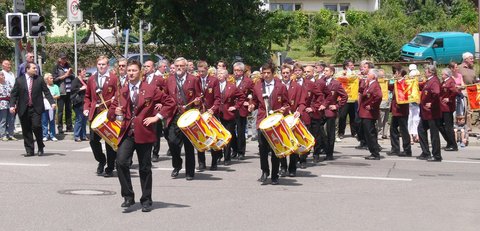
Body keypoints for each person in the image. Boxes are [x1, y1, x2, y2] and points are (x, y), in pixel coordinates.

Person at [108, 60, 176, 212]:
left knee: (145, 168)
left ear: (140, 72)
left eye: (133, 70)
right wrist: (115, 112)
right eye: (128, 70)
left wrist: (157, 117)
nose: (130, 73)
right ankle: (128, 195)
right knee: (120, 162)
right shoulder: (122, 90)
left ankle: (146, 199)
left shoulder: (150, 89)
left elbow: (170, 103)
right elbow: (110, 114)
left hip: (144, 132)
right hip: (127, 133)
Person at [248, 62, 289, 185]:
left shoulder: (281, 86)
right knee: (262, 148)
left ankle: (275, 174)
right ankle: (264, 171)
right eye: (264, 73)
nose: (266, 75)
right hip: (262, 121)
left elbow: (287, 104)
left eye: (268, 73)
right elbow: (255, 102)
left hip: (275, 122)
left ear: (273, 73)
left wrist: (283, 109)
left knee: (275, 148)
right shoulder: (257, 86)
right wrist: (251, 106)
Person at [164, 57, 202, 181]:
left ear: (186, 67)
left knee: (188, 145)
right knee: (172, 142)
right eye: (177, 66)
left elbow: (199, 96)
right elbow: (165, 96)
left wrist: (197, 102)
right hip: (173, 115)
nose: (179, 68)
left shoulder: (193, 79)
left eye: (181, 66)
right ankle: (177, 164)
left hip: (188, 116)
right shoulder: (169, 80)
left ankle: (190, 172)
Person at [10, 63, 56, 156]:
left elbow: (46, 92)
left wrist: (52, 102)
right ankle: (29, 150)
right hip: (23, 108)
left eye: (36, 68)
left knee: (36, 126)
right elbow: (14, 94)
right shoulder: (19, 80)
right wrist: (12, 105)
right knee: (26, 130)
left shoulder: (39, 79)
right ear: (27, 69)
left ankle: (40, 146)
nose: (36, 69)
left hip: (36, 108)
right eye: (34, 68)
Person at [83, 56, 118, 177]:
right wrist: (86, 108)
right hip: (95, 114)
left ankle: (110, 166)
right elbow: (87, 96)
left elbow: (118, 95)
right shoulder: (92, 79)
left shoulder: (113, 78)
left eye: (103, 64)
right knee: (93, 141)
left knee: (109, 142)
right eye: (99, 64)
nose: (101, 66)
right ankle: (101, 160)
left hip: (108, 114)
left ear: (108, 65)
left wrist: (115, 100)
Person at [279, 64, 304, 177]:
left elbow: (302, 102)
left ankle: (292, 168)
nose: (285, 75)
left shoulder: (297, 86)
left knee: (293, 143)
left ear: (291, 74)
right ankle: (283, 167)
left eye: (287, 73)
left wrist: (299, 111)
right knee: (282, 142)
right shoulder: (277, 86)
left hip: (292, 117)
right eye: (283, 73)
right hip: (280, 118)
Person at [318, 65, 348, 161]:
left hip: (330, 110)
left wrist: (337, 106)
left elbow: (344, 96)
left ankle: (329, 153)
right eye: (324, 70)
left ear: (331, 72)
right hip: (320, 110)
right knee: (319, 129)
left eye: (327, 71)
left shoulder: (336, 84)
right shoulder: (320, 81)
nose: (325, 72)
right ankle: (323, 147)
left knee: (331, 133)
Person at [195, 61, 221, 169]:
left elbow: (218, 98)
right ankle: (201, 162)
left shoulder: (214, 80)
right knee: (200, 137)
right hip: (200, 112)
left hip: (211, 112)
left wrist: (213, 109)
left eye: (203, 71)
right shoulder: (196, 80)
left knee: (213, 137)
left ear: (207, 70)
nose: (201, 73)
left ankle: (214, 162)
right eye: (199, 71)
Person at [217, 68, 245, 165]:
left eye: (221, 73)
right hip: (217, 113)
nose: (219, 75)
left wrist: (236, 106)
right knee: (217, 136)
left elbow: (241, 97)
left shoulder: (231, 86)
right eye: (218, 73)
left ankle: (227, 157)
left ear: (225, 75)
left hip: (228, 114)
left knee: (227, 135)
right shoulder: (214, 86)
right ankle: (218, 156)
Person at [417, 65, 442, 162]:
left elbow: (436, 93)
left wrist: (431, 103)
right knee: (421, 129)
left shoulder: (434, 81)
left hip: (432, 113)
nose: (424, 72)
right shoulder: (429, 81)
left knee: (434, 134)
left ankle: (437, 155)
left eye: (426, 71)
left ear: (431, 72)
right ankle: (426, 152)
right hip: (425, 113)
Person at [143, 60, 166, 162]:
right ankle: (146, 152)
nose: (146, 68)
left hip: (155, 109)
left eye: (148, 66)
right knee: (145, 131)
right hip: (144, 109)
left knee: (156, 132)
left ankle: (155, 153)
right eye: (144, 66)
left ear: (153, 68)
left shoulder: (159, 79)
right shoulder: (142, 79)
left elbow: (166, 93)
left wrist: (162, 103)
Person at [231, 62, 253, 160]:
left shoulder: (248, 81)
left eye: (239, 70)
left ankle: (241, 151)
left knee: (240, 131)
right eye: (235, 70)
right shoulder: (230, 79)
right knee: (230, 130)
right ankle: (234, 149)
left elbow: (254, 92)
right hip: (231, 108)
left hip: (241, 109)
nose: (236, 72)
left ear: (243, 71)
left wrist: (249, 101)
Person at [387, 68, 411, 157]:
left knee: (403, 130)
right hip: (395, 110)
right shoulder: (396, 82)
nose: (394, 74)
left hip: (402, 109)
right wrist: (392, 79)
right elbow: (389, 87)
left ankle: (407, 149)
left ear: (400, 73)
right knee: (393, 129)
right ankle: (395, 148)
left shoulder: (405, 82)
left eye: (395, 72)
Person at [52, 53, 75, 133]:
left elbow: (73, 77)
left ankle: (69, 127)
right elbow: (54, 79)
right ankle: (60, 127)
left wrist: (71, 74)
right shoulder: (56, 68)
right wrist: (65, 75)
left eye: (65, 58)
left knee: (69, 110)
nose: (64, 60)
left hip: (69, 91)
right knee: (60, 111)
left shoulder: (68, 66)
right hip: (61, 92)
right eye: (62, 58)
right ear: (59, 59)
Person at [438, 68, 459, 152]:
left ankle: (453, 144)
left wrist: (449, 99)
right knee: (439, 124)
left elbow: (455, 91)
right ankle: (449, 141)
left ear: (446, 75)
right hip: (442, 106)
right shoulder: (444, 82)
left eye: (442, 74)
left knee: (448, 126)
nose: (441, 75)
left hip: (447, 107)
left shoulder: (450, 81)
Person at [338, 59, 358, 139]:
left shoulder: (355, 73)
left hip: (353, 98)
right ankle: (341, 132)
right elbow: (338, 77)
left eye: (353, 65)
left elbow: (355, 77)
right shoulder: (340, 73)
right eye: (351, 65)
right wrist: (346, 76)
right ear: (346, 66)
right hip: (344, 98)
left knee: (353, 116)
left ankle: (354, 132)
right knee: (342, 116)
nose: (353, 66)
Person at [41, 73, 60, 141]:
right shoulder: (43, 87)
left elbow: (58, 95)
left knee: (52, 121)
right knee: (44, 121)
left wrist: (51, 97)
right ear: (46, 80)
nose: (52, 79)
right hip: (44, 106)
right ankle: (45, 135)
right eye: (50, 78)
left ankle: (52, 135)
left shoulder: (55, 86)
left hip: (52, 106)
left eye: (52, 78)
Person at [71, 68, 88, 142]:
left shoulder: (84, 80)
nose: (85, 73)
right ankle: (77, 136)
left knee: (84, 120)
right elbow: (72, 90)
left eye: (85, 72)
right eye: (83, 72)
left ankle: (83, 135)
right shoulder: (75, 80)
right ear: (79, 73)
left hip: (84, 102)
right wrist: (81, 88)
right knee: (79, 119)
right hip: (78, 103)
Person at [2, 60, 16, 140]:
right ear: (3, 65)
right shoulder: (2, 73)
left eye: (10, 64)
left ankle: (11, 134)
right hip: (4, 100)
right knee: (3, 118)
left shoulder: (11, 74)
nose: (9, 66)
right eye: (7, 64)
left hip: (12, 97)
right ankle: (3, 134)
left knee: (11, 117)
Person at [0, 71, 12, 141]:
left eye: (3, 75)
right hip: (2, 104)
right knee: (3, 120)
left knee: (11, 120)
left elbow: (12, 91)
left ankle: (10, 134)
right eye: (1, 75)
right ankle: (2, 135)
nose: (3, 76)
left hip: (10, 103)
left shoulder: (7, 82)